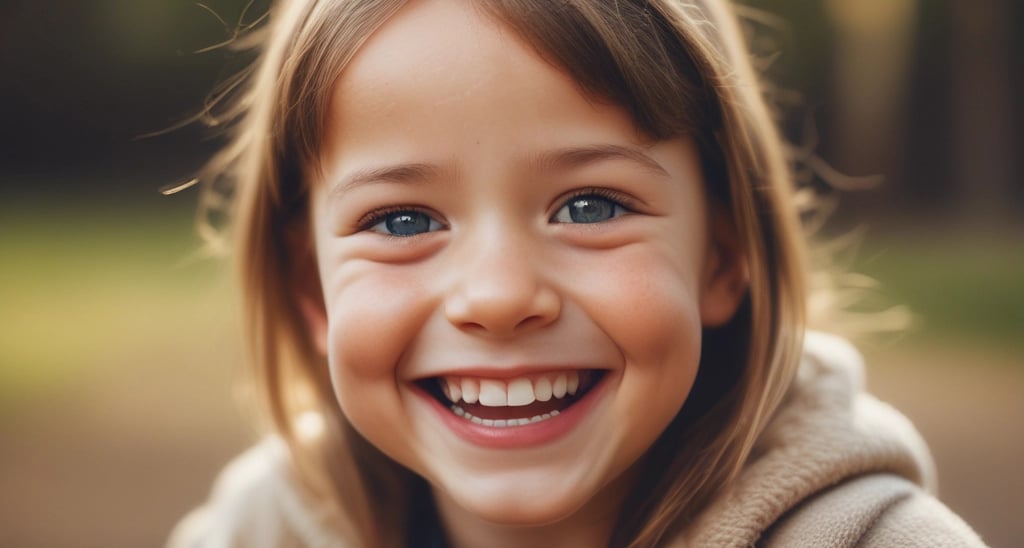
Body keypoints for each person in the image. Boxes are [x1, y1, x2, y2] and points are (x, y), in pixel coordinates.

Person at [168, 0, 986, 546]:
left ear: (723, 257)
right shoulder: (261, 527)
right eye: (404, 221)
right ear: (313, 289)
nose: (497, 296)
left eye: (591, 206)